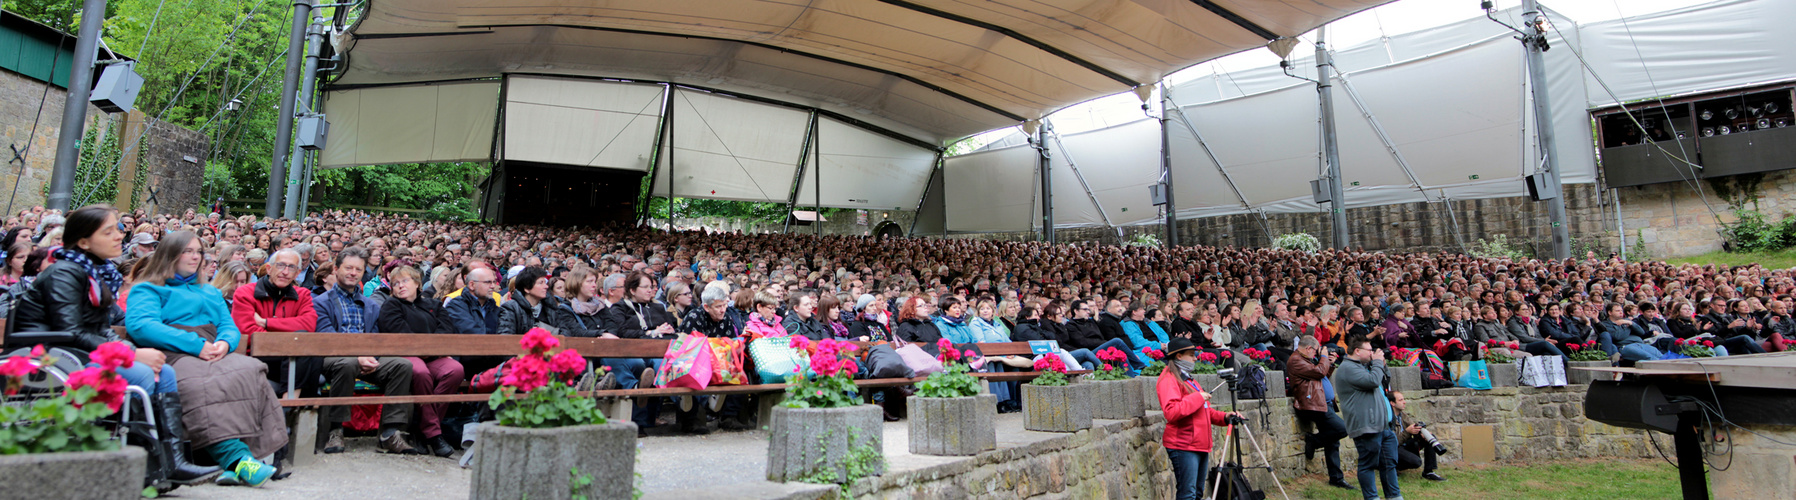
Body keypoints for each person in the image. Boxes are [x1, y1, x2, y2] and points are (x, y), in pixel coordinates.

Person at [13, 206, 219, 485]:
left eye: (117, 230)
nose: (118, 237)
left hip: (74, 350)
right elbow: (70, 331)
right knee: (142, 373)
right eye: (108, 232)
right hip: (48, 357)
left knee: (165, 373)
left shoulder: (95, 272)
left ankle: (170, 463)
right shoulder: (64, 273)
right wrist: (132, 352)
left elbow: (98, 330)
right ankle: (131, 464)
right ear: (84, 242)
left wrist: (128, 350)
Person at [126, 231, 286, 488]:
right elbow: (142, 326)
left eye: (198, 251)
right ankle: (236, 459)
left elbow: (228, 325)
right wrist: (196, 345)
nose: (194, 256)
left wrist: (225, 343)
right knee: (202, 381)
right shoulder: (148, 289)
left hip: (211, 347)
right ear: (170, 254)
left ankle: (251, 456)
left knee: (250, 368)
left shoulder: (209, 292)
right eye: (187, 251)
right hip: (172, 351)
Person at [313, 246, 416, 455]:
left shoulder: (371, 305)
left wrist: (371, 356)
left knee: (402, 365)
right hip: (333, 359)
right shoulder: (321, 303)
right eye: (348, 268)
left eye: (358, 270)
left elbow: (376, 337)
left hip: (366, 357)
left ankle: (389, 432)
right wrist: (357, 356)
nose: (353, 273)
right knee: (347, 363)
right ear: (336, 269)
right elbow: (327, 338)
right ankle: (336, 429)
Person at [376, 264, 465, 457]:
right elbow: (399, 333)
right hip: (406, 355)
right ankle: (433, 434)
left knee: (455, 370)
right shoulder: (391, 305)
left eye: (405, 281)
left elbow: (446, 329)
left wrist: (431, 350)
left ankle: (421, 428)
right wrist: (425, 349)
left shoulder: (433, 305)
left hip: (432, 355)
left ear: (417, 283)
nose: (400, 286)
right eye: (395, 283)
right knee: (419, 371)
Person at [1158, 338, 1243, 500]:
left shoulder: (1189, 379)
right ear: (1179, 356)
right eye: (1191, 355)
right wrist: (1197, 398)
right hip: (1183, 445)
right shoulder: (1169, 379)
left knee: (1197, 493)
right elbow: (1172, 412)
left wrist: (1225, 417)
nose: (1195, 358)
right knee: (1187, 494)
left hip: (1198, 445)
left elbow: (1205, 411)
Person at [1338, 339, 1401, 500]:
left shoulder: (1363, 367)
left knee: (1389, 464)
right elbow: (1373, 381)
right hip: (1366, 426)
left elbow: (1382, 381)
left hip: (1383, 426)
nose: (1372, 353)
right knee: (1368, 464)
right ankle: (1372, 498)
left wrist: (1382, 365)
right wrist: (1378, 363)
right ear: (1357, 351)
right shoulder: (1348, 368)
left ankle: (1394, 496)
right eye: (1369, 350)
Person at [1289, 336, 1351, 490]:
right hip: (1313, 405)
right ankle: (1314, 440)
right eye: (1316, 350)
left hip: (1323, 403)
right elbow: (1318, 372)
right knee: (1343, 429)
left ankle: (1336, 478)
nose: (1316, 354)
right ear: (1309, 348)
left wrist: (1329, 362)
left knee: (1333, 440)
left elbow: (1322, 376)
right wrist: (1323, 358)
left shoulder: (1306, 359)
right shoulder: (1296, 360)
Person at [1389, 391, 1446, 482]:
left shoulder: (1402, 415)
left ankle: (1429, 472)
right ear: (1392, 403)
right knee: (1416, 462)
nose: (1404, 402)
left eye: (1403, 399)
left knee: (1429, 437)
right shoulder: (1387, 418)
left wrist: (1422, 432)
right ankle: (1391, 468)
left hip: (1403, 446)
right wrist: (1408, 432)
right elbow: (1391, 443)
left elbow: (1412, 425)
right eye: (1400, 400)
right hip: (1393, 449)